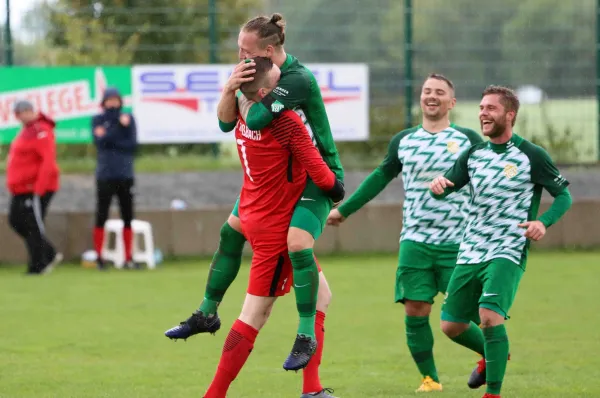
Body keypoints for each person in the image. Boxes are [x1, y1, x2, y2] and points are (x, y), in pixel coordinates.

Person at [166, 12, 344, 391]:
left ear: (267, 51)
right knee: (233, 235)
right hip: (267, 190)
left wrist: (235, 93)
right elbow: (224, 123)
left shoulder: (293, 78)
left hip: (311, 181)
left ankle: (300, 343)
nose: (239, 56)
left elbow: (258, 118)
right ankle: (208, 313)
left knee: (295, 246)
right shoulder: (253, 75)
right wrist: (230, 89)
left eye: (244, 50)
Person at [327, 74, 482, 392]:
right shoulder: (404, 141)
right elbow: (380, 177)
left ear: (451, 102)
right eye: (427, 91)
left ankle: (494, 353)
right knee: (415, 308)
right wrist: (344, 210)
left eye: (440, 92)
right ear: (420, 99)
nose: (432, 96)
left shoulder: (468, 139)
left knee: (462, 318)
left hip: (461, 242)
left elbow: (492, 177)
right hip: (415, 240)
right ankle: (430, 380)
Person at [202, 56, 344, 398]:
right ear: (266, 92)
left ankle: (312, 390)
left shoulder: (239, 112)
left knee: (321, 293)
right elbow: (323, 175)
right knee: (254, 314)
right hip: (275, 225)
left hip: (254, 210)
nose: (242, 57)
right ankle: (214, 394)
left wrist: (231, 89)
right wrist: (337, 191)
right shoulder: (285, 121)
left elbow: (226, 119)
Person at [429, 85, 572, 398]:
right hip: (471, 248)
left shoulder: (532, 155)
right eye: (481, 108)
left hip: (508, 248)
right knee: (451, 325)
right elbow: (447, 185)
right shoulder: (474, 154)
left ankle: (493, 393)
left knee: (489, 316)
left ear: (510, 115)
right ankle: (493, 354)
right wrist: (438, 186)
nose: (483, 113)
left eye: (490, 108)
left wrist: (542, 222)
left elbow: (563, 195)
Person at [7, 100, 62, 275]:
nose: (25, 114)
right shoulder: (26, 131)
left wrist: (39, 188)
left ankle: (39, 264)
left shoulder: (41, 131)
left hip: (35, 187)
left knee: (32, 224)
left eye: (27, 110)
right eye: (21, 112)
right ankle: (49, 253)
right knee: (16, 220)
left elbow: (48, 160)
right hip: (20, 187)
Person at [91, 87, 138, 270]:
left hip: (125, 174)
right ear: (103, 102)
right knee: (101, 213)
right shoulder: (98, 120)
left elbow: (131, 145)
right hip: (105, 174)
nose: (113, 103)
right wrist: (118, 127)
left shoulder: (129, 119)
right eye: (109, 100)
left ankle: (128, 258)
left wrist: (109, 134)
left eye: (115, 100)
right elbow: (99, 143)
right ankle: (99, 258)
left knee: (128, 214)